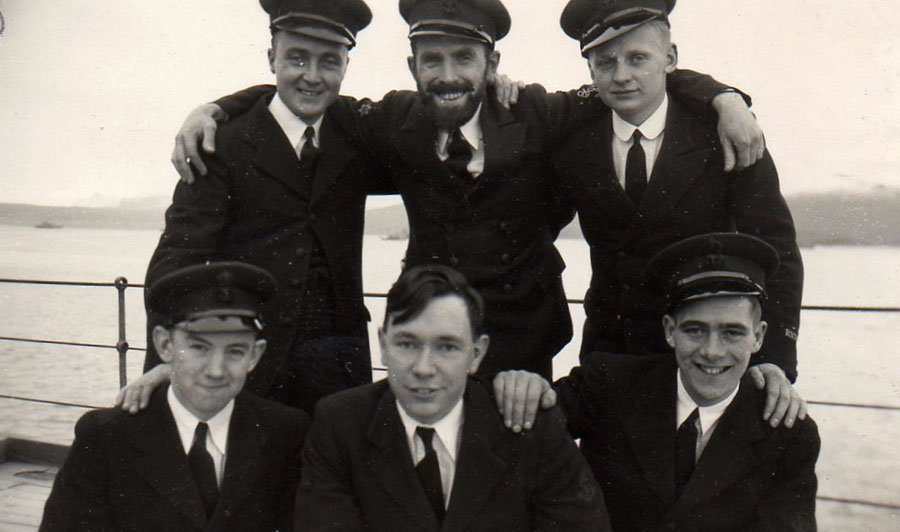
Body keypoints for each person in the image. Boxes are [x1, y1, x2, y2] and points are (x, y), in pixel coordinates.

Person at [162, 0, 766, 384]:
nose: (448, 75)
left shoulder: (538, 112)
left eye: (464, 58)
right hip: (429, 343)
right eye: (433, 59)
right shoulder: (391, 122)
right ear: (412, 66)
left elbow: (629, 82)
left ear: (491, 60)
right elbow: (302, 93)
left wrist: (723, 96)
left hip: (523, 345)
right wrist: (213, 107)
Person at [138, 0, 394, 414]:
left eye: (329, 61)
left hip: (336, 371)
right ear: (271, 57)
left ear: (346, 65)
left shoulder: (356, 133)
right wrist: (170, 363)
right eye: (296, 58)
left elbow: (426, 120)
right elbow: (176, 263)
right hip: (248, 369)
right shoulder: (220, 143)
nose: (312, 76)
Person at [293, 265, 623, 532]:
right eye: (407, 343)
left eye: (447, 347)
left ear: (476, 354)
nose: (424, 368)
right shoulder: (340, 424)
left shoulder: (530, 428)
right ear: (382, 344)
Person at [553, 0, 804, 404]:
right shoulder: (573, 140)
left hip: (706, 361)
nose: (622, 76)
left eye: (638, 58)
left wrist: (774, 357)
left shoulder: (723, 132)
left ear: (670, 58)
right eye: (605, 62)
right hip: (612, 360)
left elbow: (779, 251)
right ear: (590, 69)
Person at [550, 233, 819, 532]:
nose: (712, 351)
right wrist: (522, 387)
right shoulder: (610, 384)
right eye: (695, 330)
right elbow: (518, 436)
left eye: (732, 333)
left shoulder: (786, 434)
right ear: (669, 331)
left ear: (759, 336)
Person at [26, 262, 310, 532]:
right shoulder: (107, 436)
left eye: (235, 351)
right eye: (199, 347)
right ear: (164, 345)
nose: (216, 370)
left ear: (255, 356)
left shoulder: (284, 431)